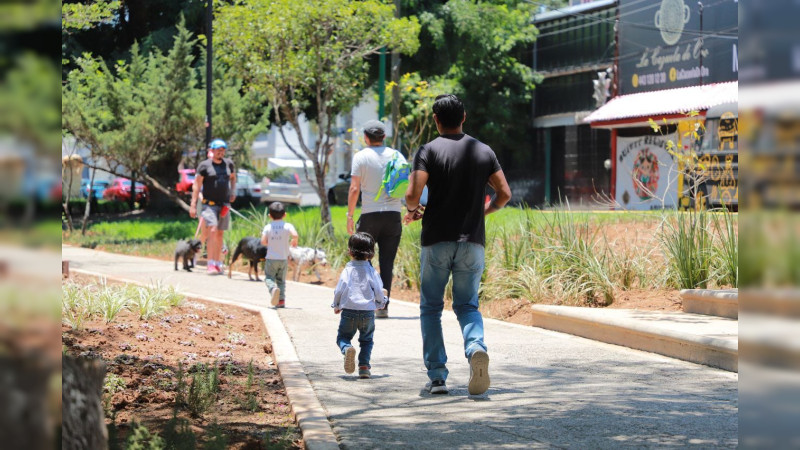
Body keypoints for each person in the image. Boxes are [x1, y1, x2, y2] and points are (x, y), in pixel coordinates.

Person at [403, 94, 512, 396]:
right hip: (472, 242)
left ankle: (438, 377)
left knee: (431, 308)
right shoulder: (483, 150)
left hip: (436, 240)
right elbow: (504, 194)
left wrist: (412, 209)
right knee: (467, 305)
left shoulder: (428, 150)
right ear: (464, 117)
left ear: (436, 120)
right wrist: (484, 212)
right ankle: (476, 347)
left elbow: (412, 195)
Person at [347, 119, 406, 318]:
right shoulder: (397, 155)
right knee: (387, 262)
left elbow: (354, 188)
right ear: (384, 137)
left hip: (369, 216)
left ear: (366, 137)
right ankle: (383, 306)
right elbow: (406, 183)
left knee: (364, 260)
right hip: (393, 215)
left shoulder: (361, 157)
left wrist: (349, 215)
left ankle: (371, 299)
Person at [332, 232, 388, 379]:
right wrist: (381, 303)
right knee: (366, 340)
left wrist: (337, 305)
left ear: (350, 251)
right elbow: (378, 289)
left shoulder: (347, 270)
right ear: (371, 253)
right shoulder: (371, 271)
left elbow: (340, 289)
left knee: (342, 337)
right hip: (367, 312)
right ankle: (364, 367)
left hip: (349, 311)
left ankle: (347, 348)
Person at [190, 139, 236, 275]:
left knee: (220, 233)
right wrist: (193, 204)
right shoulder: (204, 166)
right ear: (212, 151)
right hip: (209, 205)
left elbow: (233, 178)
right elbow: (197, 185)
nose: (220, 153)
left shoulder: (229, 164)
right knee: (212, 230)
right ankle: (210, 263)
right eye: (218, 150)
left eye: (223, 150)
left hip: (224, 205)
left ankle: (217, 262)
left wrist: (233, 191)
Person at [260, 202, 298, 308]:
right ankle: (281, 301)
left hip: (271, 258)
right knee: (281, 281)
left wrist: (270, 242)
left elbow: (263, 242)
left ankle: (272, 289)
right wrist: (294, 241)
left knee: (269, 278)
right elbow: (295, 235)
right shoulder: (288, 226)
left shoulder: (268, 227)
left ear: (270, 216)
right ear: (284, 215)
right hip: (283, 258)